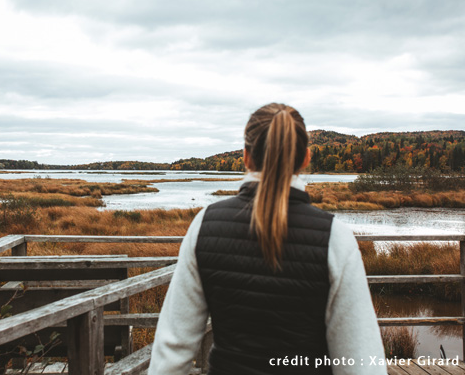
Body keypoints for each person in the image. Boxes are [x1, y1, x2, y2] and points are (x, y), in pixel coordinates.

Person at [148, 103, 386, 374]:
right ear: (306, 158)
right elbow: (361, 365)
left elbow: (169, 357)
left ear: (246, 157)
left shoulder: (205, 225)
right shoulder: (335, 238)